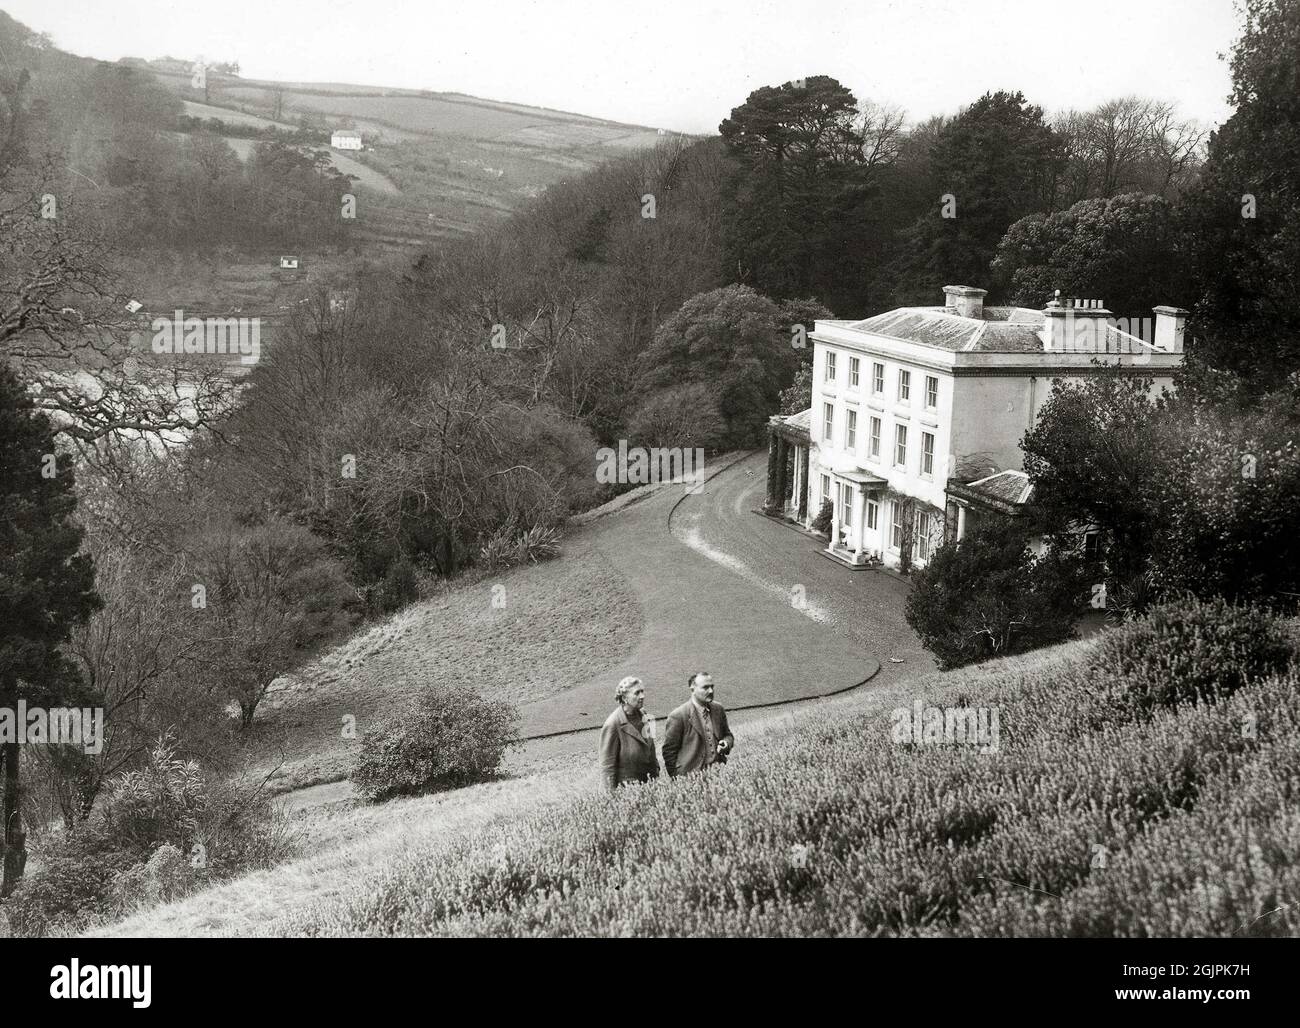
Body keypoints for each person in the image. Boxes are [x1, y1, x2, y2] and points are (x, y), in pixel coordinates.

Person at [662, 672, 734, 777]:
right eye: (705, 687)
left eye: (712, 687)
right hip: (691, 778)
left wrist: (726, 743)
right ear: (692, 689)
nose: (711, 691)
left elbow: (728, 735)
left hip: (719, 774)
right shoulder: (678, 716)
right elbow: (669, 752)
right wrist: (677, 778)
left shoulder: (718, 709)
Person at [598, 676, 660, 791]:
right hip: (627, 792)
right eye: (637, 693)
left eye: (642, 691)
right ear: (625, 698)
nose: (642, 696)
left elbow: (650, 749)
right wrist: (609, 800)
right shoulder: (613, 724)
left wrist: (655, 775)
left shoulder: (644, 715)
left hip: (650, 787)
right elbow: (607, 768)